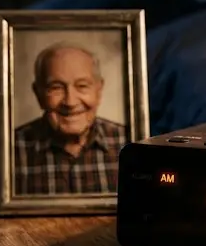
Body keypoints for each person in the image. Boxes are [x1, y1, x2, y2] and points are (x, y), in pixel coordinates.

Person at [13, 41, 127, 195]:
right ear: (38, 93)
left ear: (99, 91)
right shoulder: (10, 149)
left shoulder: (130, 143)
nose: (70, 102)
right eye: (56, 87)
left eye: (82, 86)